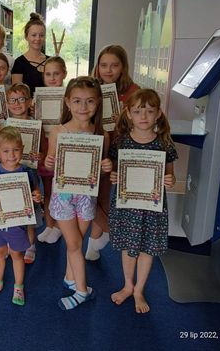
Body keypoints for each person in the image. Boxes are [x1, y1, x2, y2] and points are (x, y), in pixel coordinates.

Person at [44, 76, 112, 310]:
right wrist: (50, 161)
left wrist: (106, 167)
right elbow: (50, 165)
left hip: (86, 197)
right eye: (77, 101)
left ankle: (69, 277)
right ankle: (82, 291)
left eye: (90, 102)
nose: (83, 107)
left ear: (98, 103)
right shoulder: (58, 131)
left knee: (77, 242)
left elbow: (100, 171)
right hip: (63, 197)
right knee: (73, 244)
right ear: (67, 102)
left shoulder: (102, 135)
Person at [108, 89, 177, 314]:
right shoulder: (121, 142)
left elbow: (171, 175)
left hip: (152, 207)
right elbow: (114, 172)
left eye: (149, 111)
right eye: (138, 111)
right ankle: (128, 285)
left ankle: (139, 289)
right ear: (129, 113)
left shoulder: (164, 143)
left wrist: (170, 179)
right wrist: (114, 176)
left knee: (147, 248)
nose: (144, 116)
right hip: (127, 207)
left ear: (158, 114)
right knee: (129, 247)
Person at [85, 45, 140, 261]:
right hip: (94, 148)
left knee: (108, 196)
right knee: (93, 196)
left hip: (119, 152)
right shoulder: (92, 88)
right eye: (103, 65)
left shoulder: (134, 92)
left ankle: (100, 237)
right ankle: (96, 240)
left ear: (123, 67)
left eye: (114, 65)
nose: (108, 70)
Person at [0, 127, 42, 306]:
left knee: (16, 255)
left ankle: (18, 286)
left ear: (22, 149)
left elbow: (35, 193)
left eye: (15, 150)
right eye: (6, 151)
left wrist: (37, 196)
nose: (11, 155)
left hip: (18, 224)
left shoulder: (28, 172)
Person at [3, 83, 44, 263]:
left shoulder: (37, 125)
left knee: (30, 208)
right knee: (11, 207)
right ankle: (11, 241)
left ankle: (30, 244)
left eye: (21, 99)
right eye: (12, 100)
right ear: (7, 102)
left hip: (30, 173)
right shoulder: (4, 125)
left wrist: (39, 155)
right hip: (10, 173)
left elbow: (42, 150)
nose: (17, 103)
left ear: (29, 102)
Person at [36, 56, 67, 245]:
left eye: (56, 74)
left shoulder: (69, 97)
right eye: (48, 74)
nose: (52, 78)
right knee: (47, 189)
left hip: (63, 147)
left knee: (61, 190)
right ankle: (49, 225)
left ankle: (59, 227)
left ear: (64, 73)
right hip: (45, 146)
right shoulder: (38, 98)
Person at [11, 13, 49, 94]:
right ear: (26, 36)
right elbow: (17, 94)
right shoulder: (19, 63)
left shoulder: (51, 61)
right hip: (27, 106)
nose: (38, 38)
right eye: (34, 35)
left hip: (50, 106)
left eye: (41, 35)